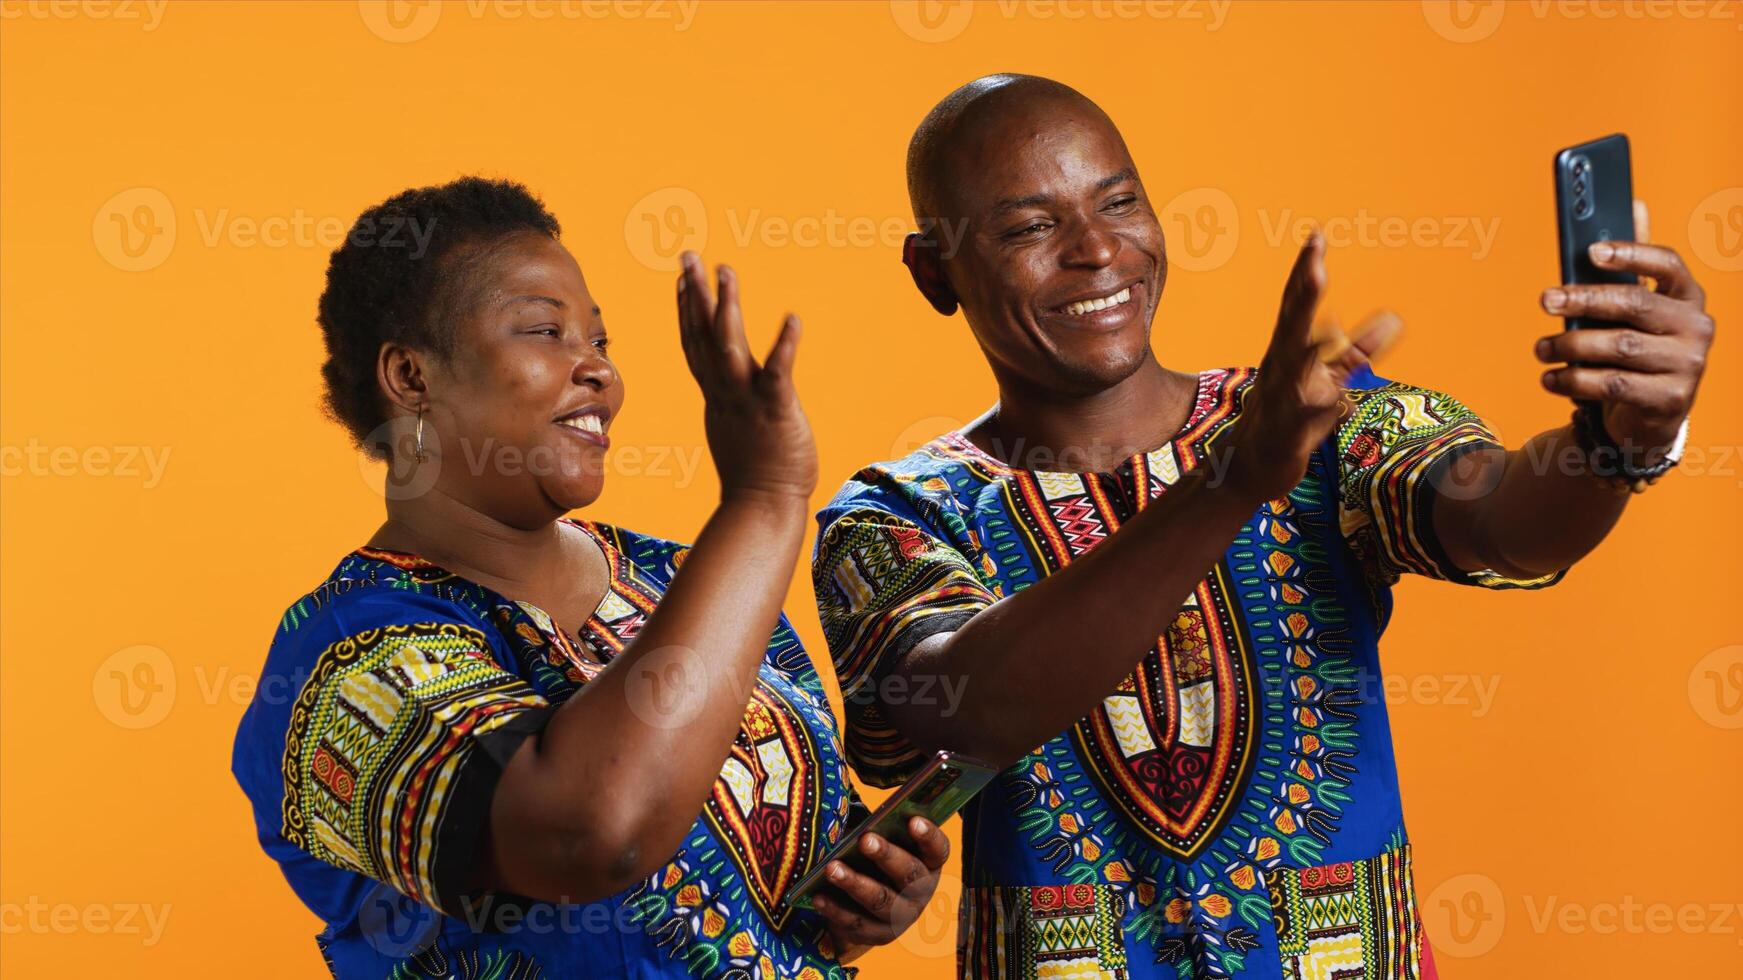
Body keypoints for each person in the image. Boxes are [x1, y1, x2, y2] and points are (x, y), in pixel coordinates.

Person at [811, 75, 1713, 979]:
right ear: (935, 271)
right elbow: (966, 710)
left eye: (1119, 202)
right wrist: (1229, 485)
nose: (1095, 250)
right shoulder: (894, 517)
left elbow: (1504, 523)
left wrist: (1616, 439)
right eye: (1029, 228)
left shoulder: (1316, 419)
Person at [232, 177, 949, 979]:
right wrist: (764, 498)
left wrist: (865, 898)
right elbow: (592, 837)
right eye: (546, 332)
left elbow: (780, 895)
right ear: (410, 376)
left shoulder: (679, 579)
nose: (598, 373)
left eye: (601, 342)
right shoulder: (339, 662)